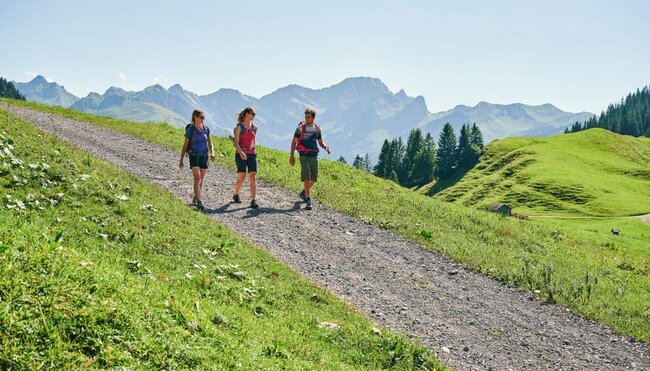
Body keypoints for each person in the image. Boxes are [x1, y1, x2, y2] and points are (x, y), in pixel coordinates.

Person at [289, 108, 331, 210]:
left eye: (308, 117)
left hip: (314, 155)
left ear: (313, 117)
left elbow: (320, 142)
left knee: (314, 178)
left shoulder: (317, 129)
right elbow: (294, 142)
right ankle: (308, 200)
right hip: (303, 155)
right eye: (305, 117)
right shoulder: (300, 128)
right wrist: (292, 156)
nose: (306, 119)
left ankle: (304, 192)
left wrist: (326, 147)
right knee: (307, 178)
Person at [179, 109, 214, 210]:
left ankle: (196, 196)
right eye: (201, 117)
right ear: (195, 117)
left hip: (204, 156)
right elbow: (185, 145)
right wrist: (181, 159)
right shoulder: (191, 129)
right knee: (197, 178)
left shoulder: (206, 129)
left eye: (203, 117)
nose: (203, 119)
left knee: (201, 180)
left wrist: (212, 153)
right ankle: (199, 201)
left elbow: (210, 142)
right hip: (194, 156)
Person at [232, 106, 259, 209]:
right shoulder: (239, 127)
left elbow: (253, 140)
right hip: (240, 154)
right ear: (247, 114)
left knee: (253, 175)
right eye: (253, 114)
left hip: (252, 154)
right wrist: (241, 153)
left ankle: (253, 200)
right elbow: (236, 142)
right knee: (242, 177)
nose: (254, 116)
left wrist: (254, 150)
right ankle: (236, 194)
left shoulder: (254, 127)